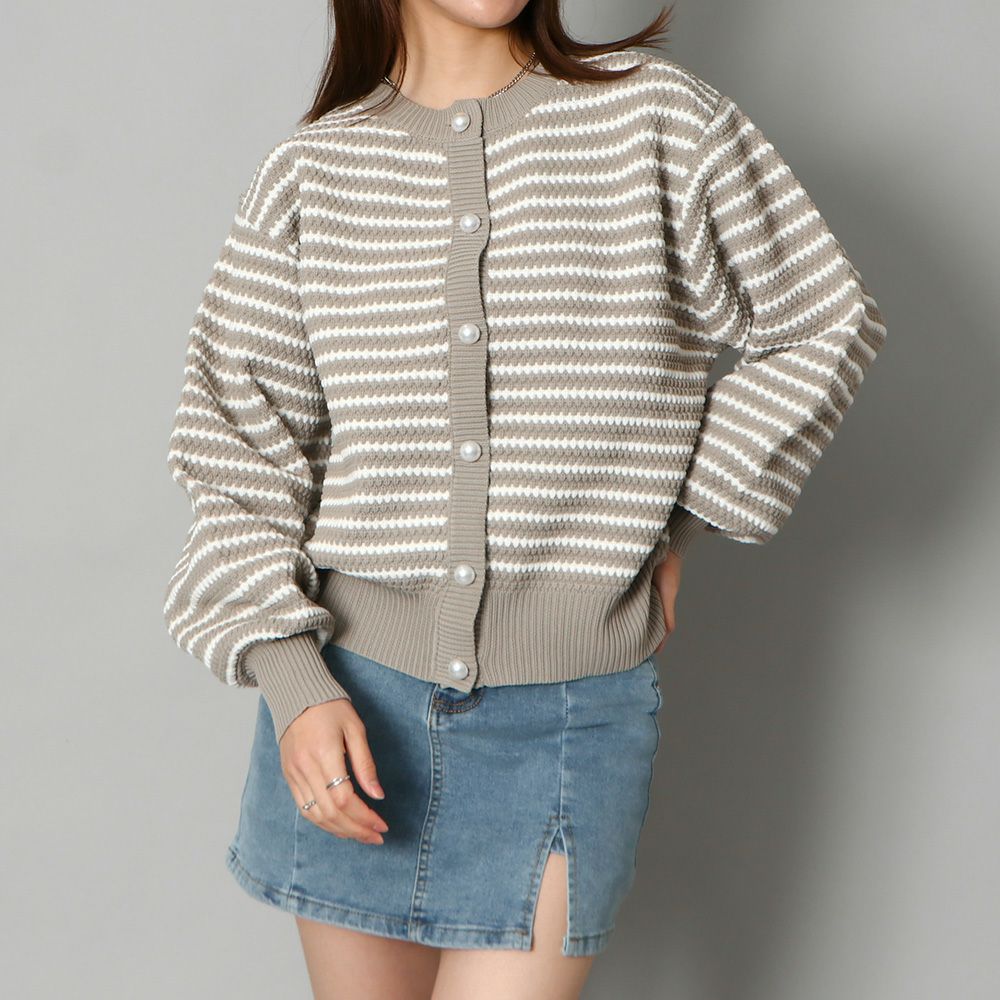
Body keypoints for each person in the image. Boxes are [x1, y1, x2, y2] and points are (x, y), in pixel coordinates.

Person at [161, 2, 887, 997]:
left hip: (566, 722)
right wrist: (294, 681)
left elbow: (822, 318)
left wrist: (681, 517)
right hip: (350, 707)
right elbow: (235, 453)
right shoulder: (311, 174)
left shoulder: (656, 120)